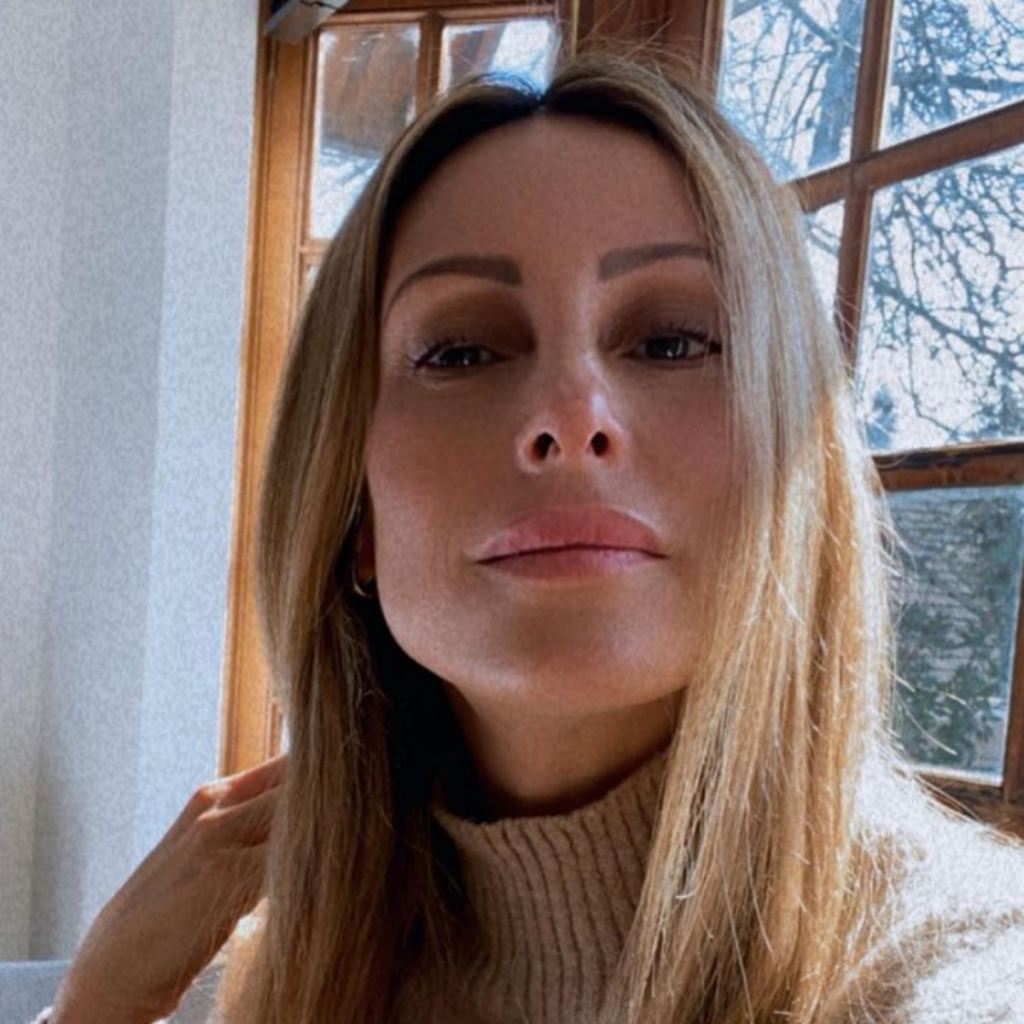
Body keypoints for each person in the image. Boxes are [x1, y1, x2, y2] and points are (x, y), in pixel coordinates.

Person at [38, 43, 1024, 1024]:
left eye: (672, 341)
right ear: (354, 510)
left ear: (796, 468)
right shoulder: (271, 972)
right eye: (462, 351)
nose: (569, 412)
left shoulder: (967, 977)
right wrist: (97, 1004)